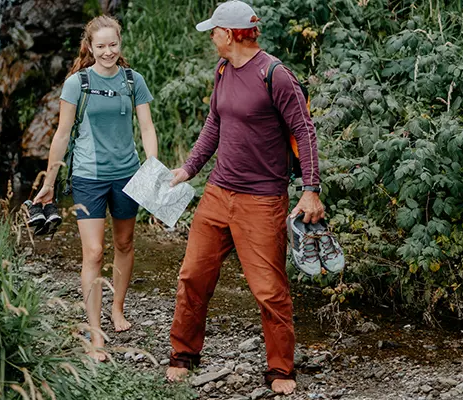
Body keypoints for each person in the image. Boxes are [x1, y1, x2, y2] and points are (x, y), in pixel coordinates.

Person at [165, 0, 324, 395]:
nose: (211, 38)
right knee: (193, 276)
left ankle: (280, 370)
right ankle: (184, 354)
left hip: (262, 200)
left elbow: (305, 132)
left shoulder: (276, 75)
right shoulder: (222, 69)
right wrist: (188, 169)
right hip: (218, 193)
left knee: (269, 290)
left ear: (233, 34)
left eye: (215, 31)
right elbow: (214, 123)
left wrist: (310, 191)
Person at [33, 15, 158, 361]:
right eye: (101, 46)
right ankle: (96, 332)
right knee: (94, 253)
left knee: (125, 242)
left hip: (128, 175)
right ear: (89, 46)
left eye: (113, 45)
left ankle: (117, 308)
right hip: (88, 176)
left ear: (120, 43)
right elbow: (61, 134)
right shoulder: (77, 83)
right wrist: (49, 181)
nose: (108, 52)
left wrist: (152, 163)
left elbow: (146, 127)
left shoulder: (134, 81)